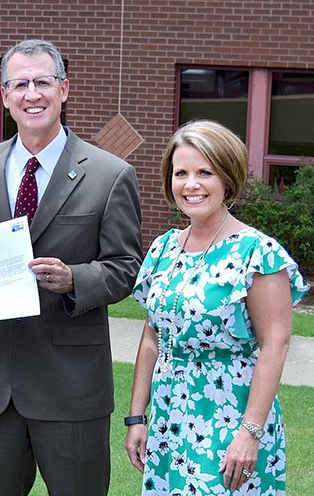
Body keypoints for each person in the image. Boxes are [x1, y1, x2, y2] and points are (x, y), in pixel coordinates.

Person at [0, 39, 143, 495]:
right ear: (5, 95)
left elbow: (127, 267)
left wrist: (75, 279)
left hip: (70, 389)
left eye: (43, 82)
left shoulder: (110, 175)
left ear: (64, 90)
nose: (32, 94)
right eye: (20, 84)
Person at [124, 119, 310, 495]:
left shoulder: (258, 253)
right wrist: (136, 417)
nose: (191, 184)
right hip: (169, 417)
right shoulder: (164, 248)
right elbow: (150, 337)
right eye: (181, 173)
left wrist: (250, 433)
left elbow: (276, 344)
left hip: (231, 417)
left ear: (227, 177)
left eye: (204, 172)